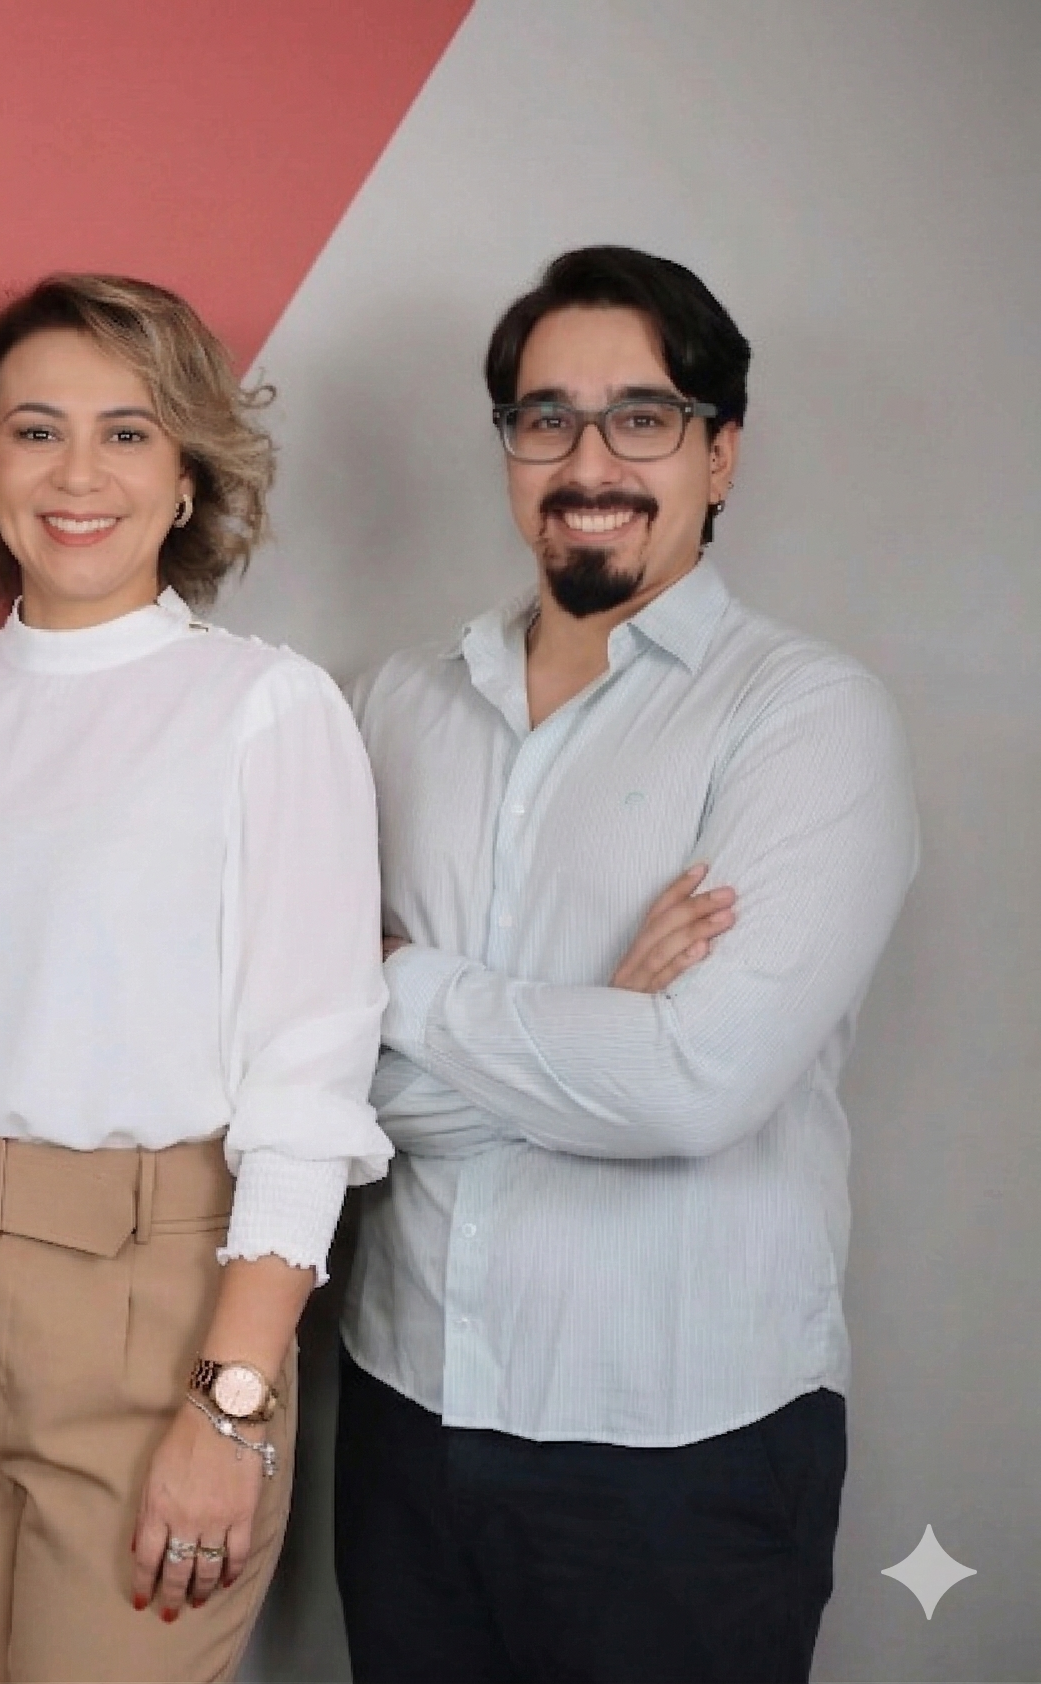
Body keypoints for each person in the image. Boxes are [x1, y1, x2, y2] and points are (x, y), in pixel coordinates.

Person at [335, 246, 919, 1683]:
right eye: (546, 418)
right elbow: (314, 1073)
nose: (587, 462)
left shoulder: (807, 719)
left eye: (641, 417)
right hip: (404, 1410)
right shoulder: (392, 705)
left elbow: (691, 1088)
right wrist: (603, 1023)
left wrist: (400, 987)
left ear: (720, 453)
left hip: (684, 1453)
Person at [0, 273, 391, 1682]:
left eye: (127, 432)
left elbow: (308, 1080)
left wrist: (233, 1400)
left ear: (189, 472)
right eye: (37, 431)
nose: (78, 474)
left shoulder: (264, 707)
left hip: (156, 1307)